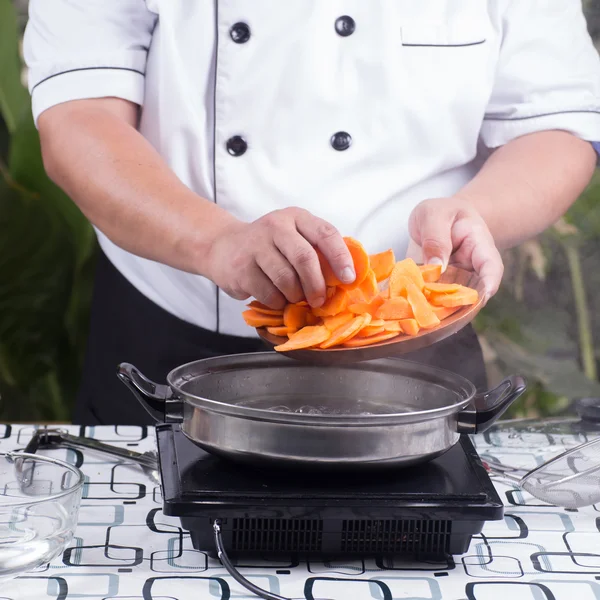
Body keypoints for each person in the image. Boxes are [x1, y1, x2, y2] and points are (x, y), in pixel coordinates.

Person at [24, 1, 600, 425]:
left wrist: (475, 213)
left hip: (410, 340)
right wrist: (215, 241)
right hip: (169, 330)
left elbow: (556, 124)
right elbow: (80, 120)